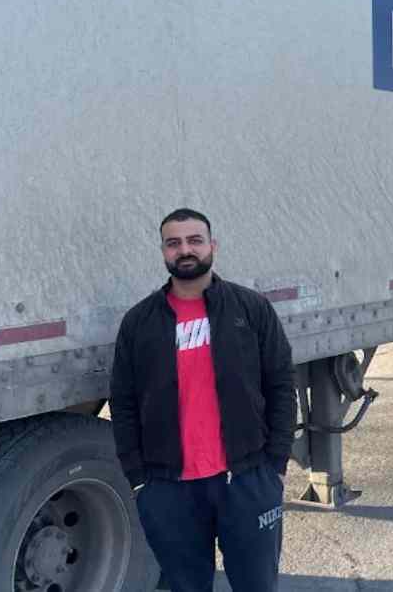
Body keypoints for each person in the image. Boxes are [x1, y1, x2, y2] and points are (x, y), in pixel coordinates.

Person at [110, 208, 296, 591]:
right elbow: (124, 401)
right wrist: (139, 480)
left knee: (257, 585)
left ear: (213, 246)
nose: (185, 250)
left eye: (195, 240)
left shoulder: (251, 309)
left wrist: (275, 464)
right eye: (174, 243)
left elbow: (280, 384)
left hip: (246, 480)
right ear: (163, 252)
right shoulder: (139, 322)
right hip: (168, 489)